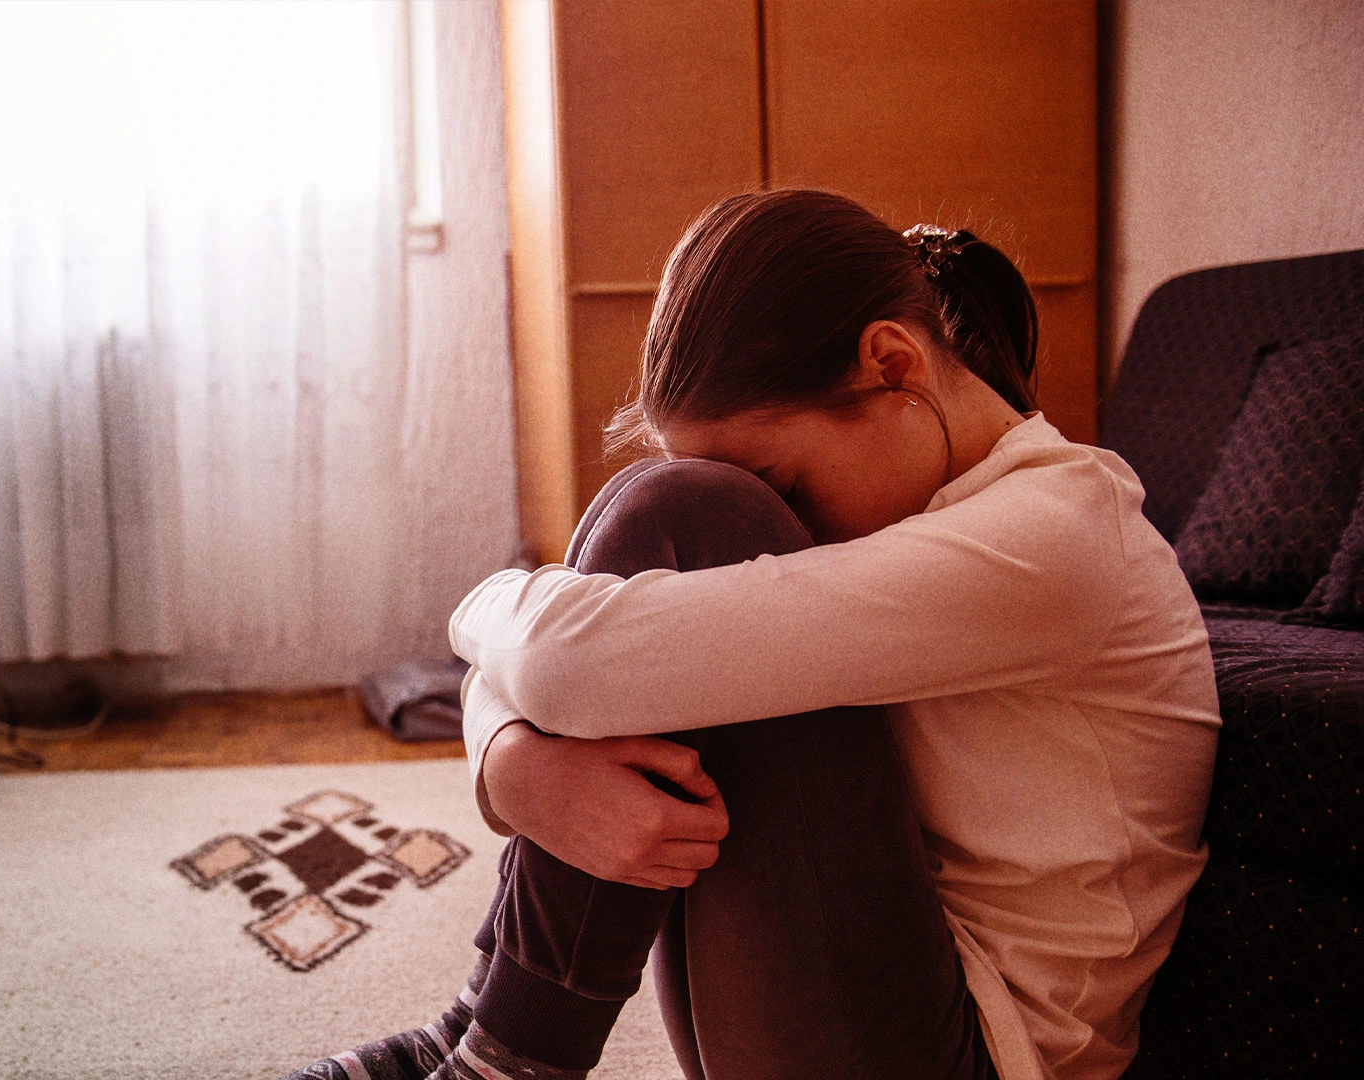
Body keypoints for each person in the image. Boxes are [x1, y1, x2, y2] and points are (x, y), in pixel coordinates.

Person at [280, 189, 1219, 1080]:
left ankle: (504, 1048)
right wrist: (516, 759)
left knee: (689, 515)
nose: (776, 523)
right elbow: (574, 656)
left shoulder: (1054, 541)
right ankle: (492, 1043)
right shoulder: (953, 518)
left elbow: (569, 660)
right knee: (660, 538)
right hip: (858, 1003)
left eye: (784, 483)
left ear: (893, 365)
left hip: (971, 1055)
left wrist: (495, 687)